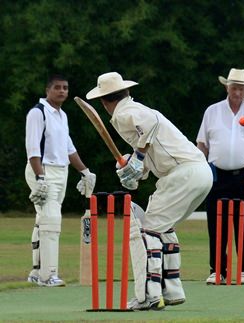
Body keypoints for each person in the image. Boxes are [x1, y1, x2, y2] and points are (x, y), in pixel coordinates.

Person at [85, 72, 213, 311]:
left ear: (104, 101)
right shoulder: (134, 111)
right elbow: (149, 148)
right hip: (200, 173)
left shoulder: (124, 113)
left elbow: (149, 126)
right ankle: (171, 290)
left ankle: (148, 295)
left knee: (147, 231)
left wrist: (139, 157)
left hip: (182, 174)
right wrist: (133, 168)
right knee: (162, 229)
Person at [196, 68, 244, 285]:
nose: (237, 92)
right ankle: (217, 270)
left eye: (241, 88)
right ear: (227, 87)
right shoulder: (212, 111)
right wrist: (199, 175)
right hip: (216, 176)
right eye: (234, 87)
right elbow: (202, 145)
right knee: (215, 223)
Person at [25, 74, 96, 287]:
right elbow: (33, 148)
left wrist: (85, 171)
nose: (62, 91)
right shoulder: (38, 113)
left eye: (65, 87)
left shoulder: (62, 115)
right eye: (58, 87)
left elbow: (69, 149)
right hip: (43, 170)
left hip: (61, 171)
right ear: (48, 90)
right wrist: (40, 177)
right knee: (52, 221)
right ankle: (49, 275)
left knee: (43, 220)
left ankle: (37, 272)